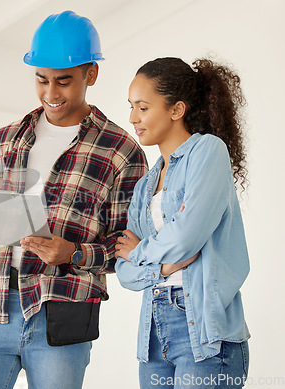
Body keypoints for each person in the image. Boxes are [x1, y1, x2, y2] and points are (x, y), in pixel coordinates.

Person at [0, 10, 147, 389]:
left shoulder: (120, 151)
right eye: (41, 80)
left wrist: (72, 252)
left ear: (91, 75)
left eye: (64, 81)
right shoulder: (4, 140)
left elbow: (126, 246)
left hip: (63, 313)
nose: (51, 94)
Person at [115, 57, 250, 389]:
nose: (133, 118)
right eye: (131, 107)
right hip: (154, 334)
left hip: (205, 335)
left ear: (176, 110)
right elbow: (123, 269)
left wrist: (141, 252)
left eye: (142, 108)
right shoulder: (146, 184)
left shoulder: (208, 152)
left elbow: (186, 237)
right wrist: (162, 267)